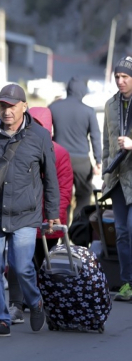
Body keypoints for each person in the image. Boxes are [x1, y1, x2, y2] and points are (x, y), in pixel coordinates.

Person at [0, 83, 60, 338]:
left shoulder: (39, 136)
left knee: (21, 266)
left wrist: (52, 214)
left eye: (12, 106)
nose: (7, 111)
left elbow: (50, 179)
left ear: (24, 107)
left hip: (26, 214)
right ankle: (0, 320)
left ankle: (36, 302)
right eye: (3, 105)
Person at [6, 107, 73, 323]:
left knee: (46, 265)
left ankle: (45, 302)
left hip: (47, 220)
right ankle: (17, 303)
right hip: (23, 217)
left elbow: (63, 189)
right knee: (18, 263)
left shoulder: (59, 153)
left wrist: (55, 216)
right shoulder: (16, 147)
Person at [48, 77, 101, 220]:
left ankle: (60, 231)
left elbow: (44, 131)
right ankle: (78, 230)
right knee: (84, 196)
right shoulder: (88, 111)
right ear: (83, 91)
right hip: (81, 161)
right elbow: (95, 136)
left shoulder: (53, 107)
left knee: (61, 196)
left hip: (58, 160)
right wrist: (98, 160)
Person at [102, 56, 132, 301]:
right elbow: (106, 144)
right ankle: (127, 283)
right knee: (121, 231)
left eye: (125, 77)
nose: (120, 81)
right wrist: (105, 173)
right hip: (118, 179)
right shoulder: (110, 105)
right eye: (117, 77)